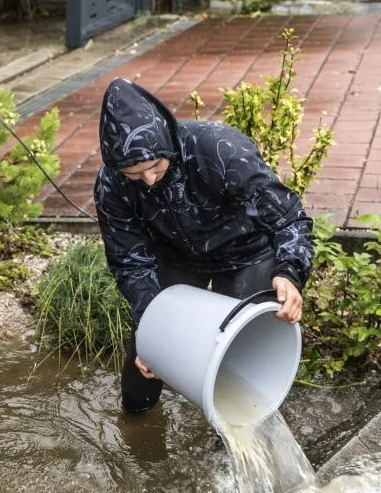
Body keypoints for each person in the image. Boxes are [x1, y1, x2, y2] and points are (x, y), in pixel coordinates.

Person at [93, 78, 314, 413]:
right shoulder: (111, 185)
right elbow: (130, 261)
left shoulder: (220, 149)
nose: (149, 179)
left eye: (155, 166)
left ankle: (233, 433)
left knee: (239, 352)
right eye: (136, 175)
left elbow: (288, 217)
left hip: (246, 253)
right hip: (177, 256)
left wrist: (290, 271)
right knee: (144, 358)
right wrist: (153, 326)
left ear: (167, 142)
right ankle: (138, 423)